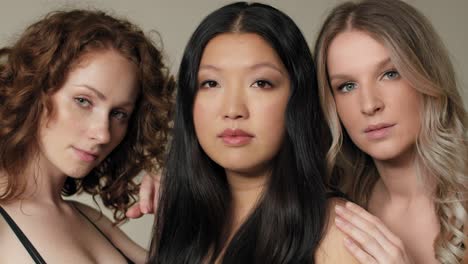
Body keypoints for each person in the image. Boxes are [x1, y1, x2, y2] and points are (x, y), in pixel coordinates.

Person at [146, 2, 355, 263]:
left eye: (261, 83)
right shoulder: (182, 219)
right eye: (211, 83)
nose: (233, 109)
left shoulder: (338, 229)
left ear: (298, 99)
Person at [0, 9, 174, 264]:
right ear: (35, 90)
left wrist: (176, 207)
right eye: (83, 101)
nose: (103, 133)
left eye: (118, 114)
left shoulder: (88, 218)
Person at [314, 0, 468, 263]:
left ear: (426, 74)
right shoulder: (339, 208)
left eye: (390, 74)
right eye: (347, 86)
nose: (370, 104)